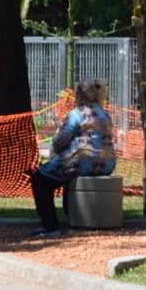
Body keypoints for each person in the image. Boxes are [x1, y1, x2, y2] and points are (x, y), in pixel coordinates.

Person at [30, 80, 116, 238]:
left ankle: (50, 226)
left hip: (83, 160)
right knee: (67, 176)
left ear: (78, 95)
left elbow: (60, 142)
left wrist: (56, 147)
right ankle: (71, 217)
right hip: (108, 163)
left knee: (40, 179)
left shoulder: (76, 114)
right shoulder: (105, 115)